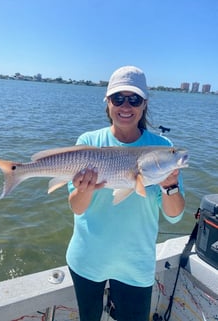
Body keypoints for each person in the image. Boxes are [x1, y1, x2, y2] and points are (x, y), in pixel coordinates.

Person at [66, 66, 185, 321]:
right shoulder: (89, 142)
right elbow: (77, 208)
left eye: (135, 99)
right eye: (118, 98)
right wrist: (84, 189)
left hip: (136, 264)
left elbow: (174, 216)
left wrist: (169, 186)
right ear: (107, 103)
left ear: (144, 104)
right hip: (87, 258)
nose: (126, 106)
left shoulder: (163, 149)